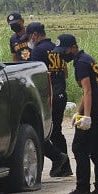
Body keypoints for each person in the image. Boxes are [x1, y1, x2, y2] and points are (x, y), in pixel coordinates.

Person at [55, 34, 98, 194]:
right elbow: (89, 90)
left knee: (79, 148)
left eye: (64, 50)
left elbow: (88, 91)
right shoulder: (86, 59)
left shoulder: (80, 63)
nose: (62, 54)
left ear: (73, 47)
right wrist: (79, 112)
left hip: (96, 109)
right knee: (96, 149)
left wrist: (86, 116)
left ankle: (82, 189)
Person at [26, 21, 73, 178]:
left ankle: (59, 160)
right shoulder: (55, 47)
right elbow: (65, 72)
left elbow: (35, 77)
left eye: (29, 37)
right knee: (57, 131)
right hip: (61, 94)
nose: (29, 41)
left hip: (49, 97)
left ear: (35, 35)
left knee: (42, 132)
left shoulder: (38, 52)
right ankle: (64, 166)